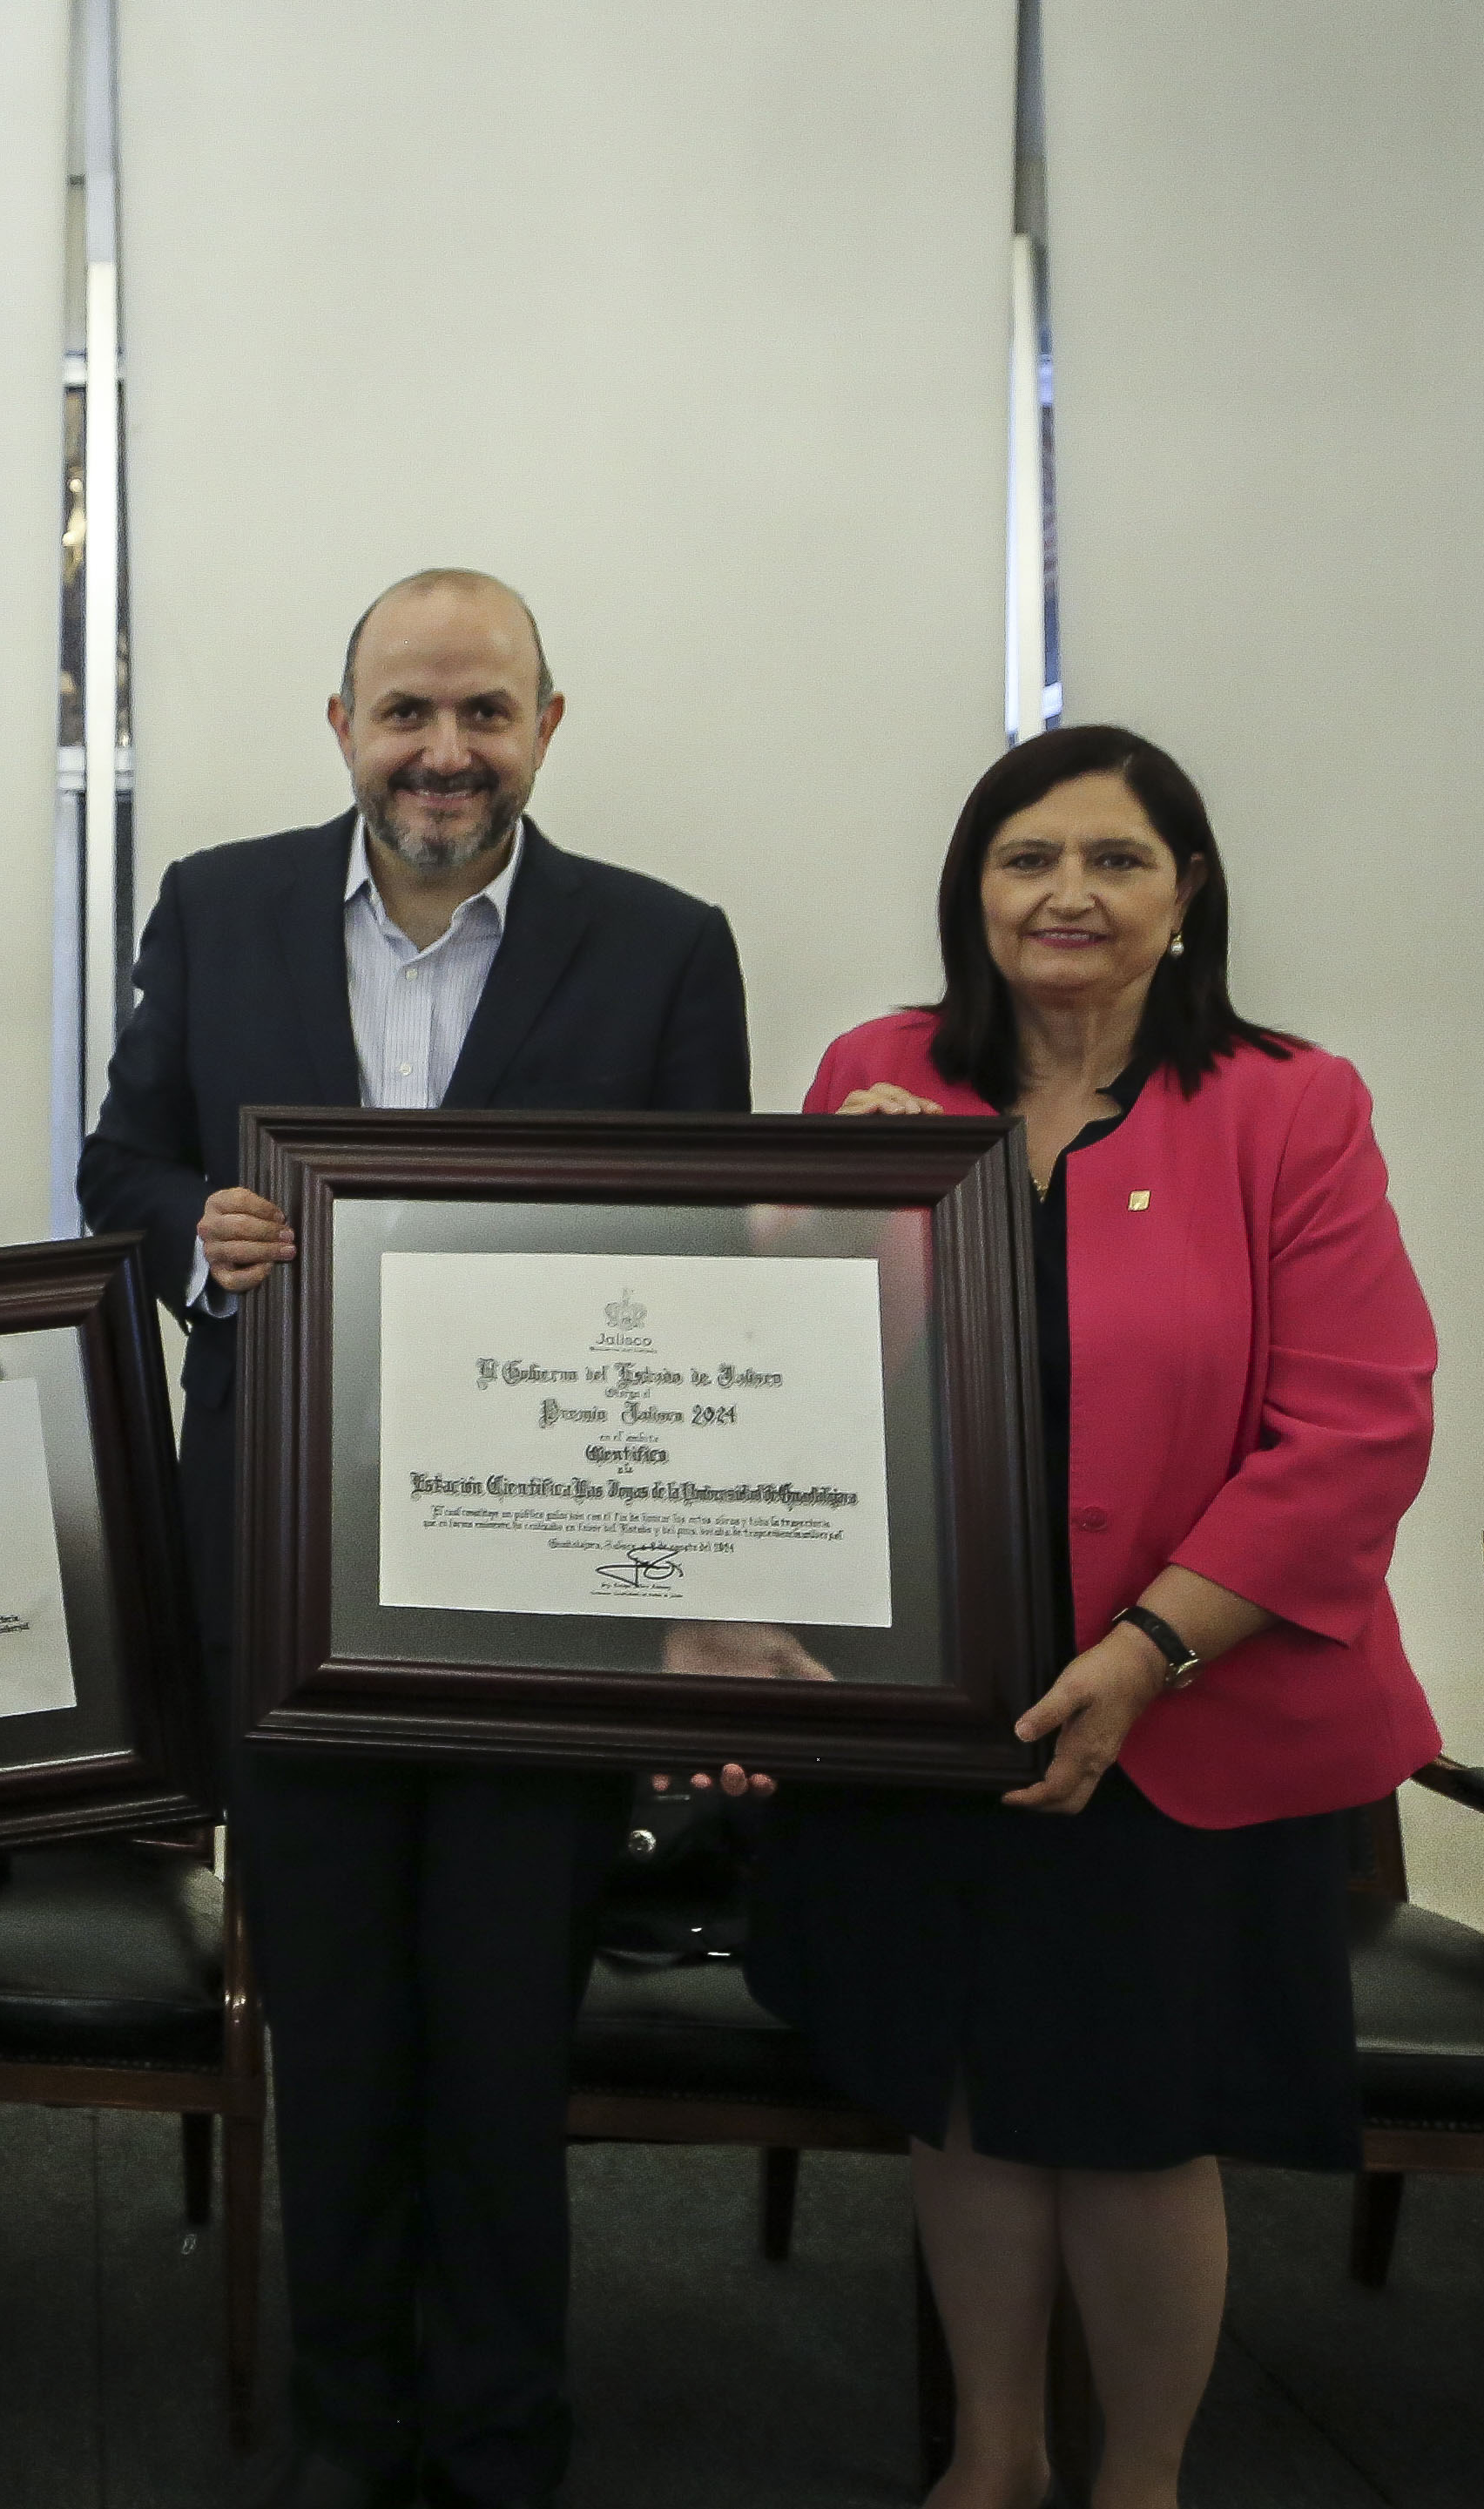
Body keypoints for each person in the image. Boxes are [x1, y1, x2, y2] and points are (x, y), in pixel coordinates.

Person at [78, 570, 750, 2509]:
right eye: (405, 713)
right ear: (341, 727)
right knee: (339, 2043)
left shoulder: (665, 946)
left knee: (502, 2051)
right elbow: (119, 1164)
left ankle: (501, 2444)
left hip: (546, 1595)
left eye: (482, 712)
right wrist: (196, 1234)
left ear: (546, 723)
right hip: (284, 1576)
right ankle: (348, 2439)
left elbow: (709, 1251)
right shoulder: (214, 905)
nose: (443, 752)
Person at [741, 725, 1439, 2509]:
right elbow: (779, 1384)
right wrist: (823, 1218)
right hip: (937, 1710)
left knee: (1134, 2129)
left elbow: (1357, 1427)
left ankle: (1138, 2480)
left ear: (1184, 890)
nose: (1068, 892)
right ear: (970, 888)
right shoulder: (875, 1073)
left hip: (1184, 1713)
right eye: (1026, 856)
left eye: (1116, 858)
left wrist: (1145, 1655)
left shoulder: (1288, 1103)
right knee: (966, 2100)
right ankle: (992, 2456)